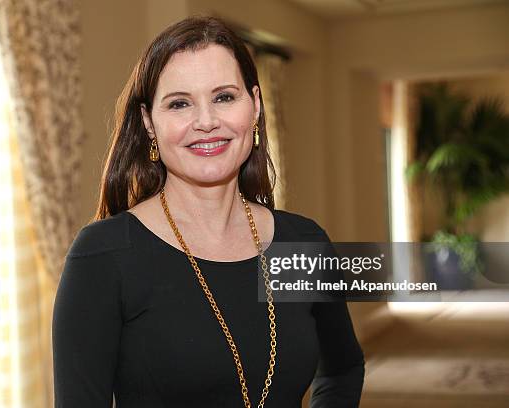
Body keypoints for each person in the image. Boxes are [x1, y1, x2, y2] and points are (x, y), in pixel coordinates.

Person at [52, 15, 365, 408]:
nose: (206, 122)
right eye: (180, 103)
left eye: (224, 97)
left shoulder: (302, 243)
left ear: (254, 106)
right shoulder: (104, 256)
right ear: (150, 123)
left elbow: (342, 369)